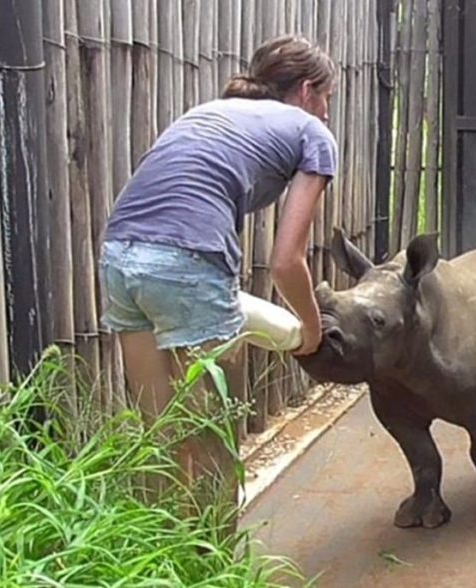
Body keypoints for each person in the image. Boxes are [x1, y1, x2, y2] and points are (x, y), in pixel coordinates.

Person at [98, 35, 338, 505]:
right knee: (210, 440)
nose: (327, 112)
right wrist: (311, 330)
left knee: (160, 435)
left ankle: (156, 566)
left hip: (119, 257)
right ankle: (213, 569)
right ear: (308, 91)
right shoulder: (313, 133)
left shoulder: (208, 112)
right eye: (327, 98)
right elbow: (286, 261)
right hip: (185, 264)